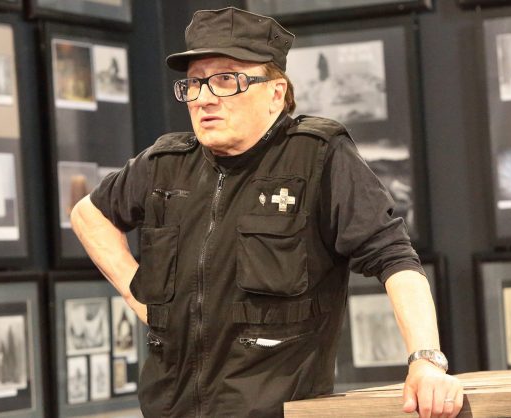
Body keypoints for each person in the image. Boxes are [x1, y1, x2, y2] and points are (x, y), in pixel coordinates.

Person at [71, 7, 462, 418]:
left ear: (276, 94)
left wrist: (425, 361)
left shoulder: (317, 156)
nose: (204, 98)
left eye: (226, 80)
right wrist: (138, 297)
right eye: (195, 83)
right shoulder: (165, 163)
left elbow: (395, 258)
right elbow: (88, 214)